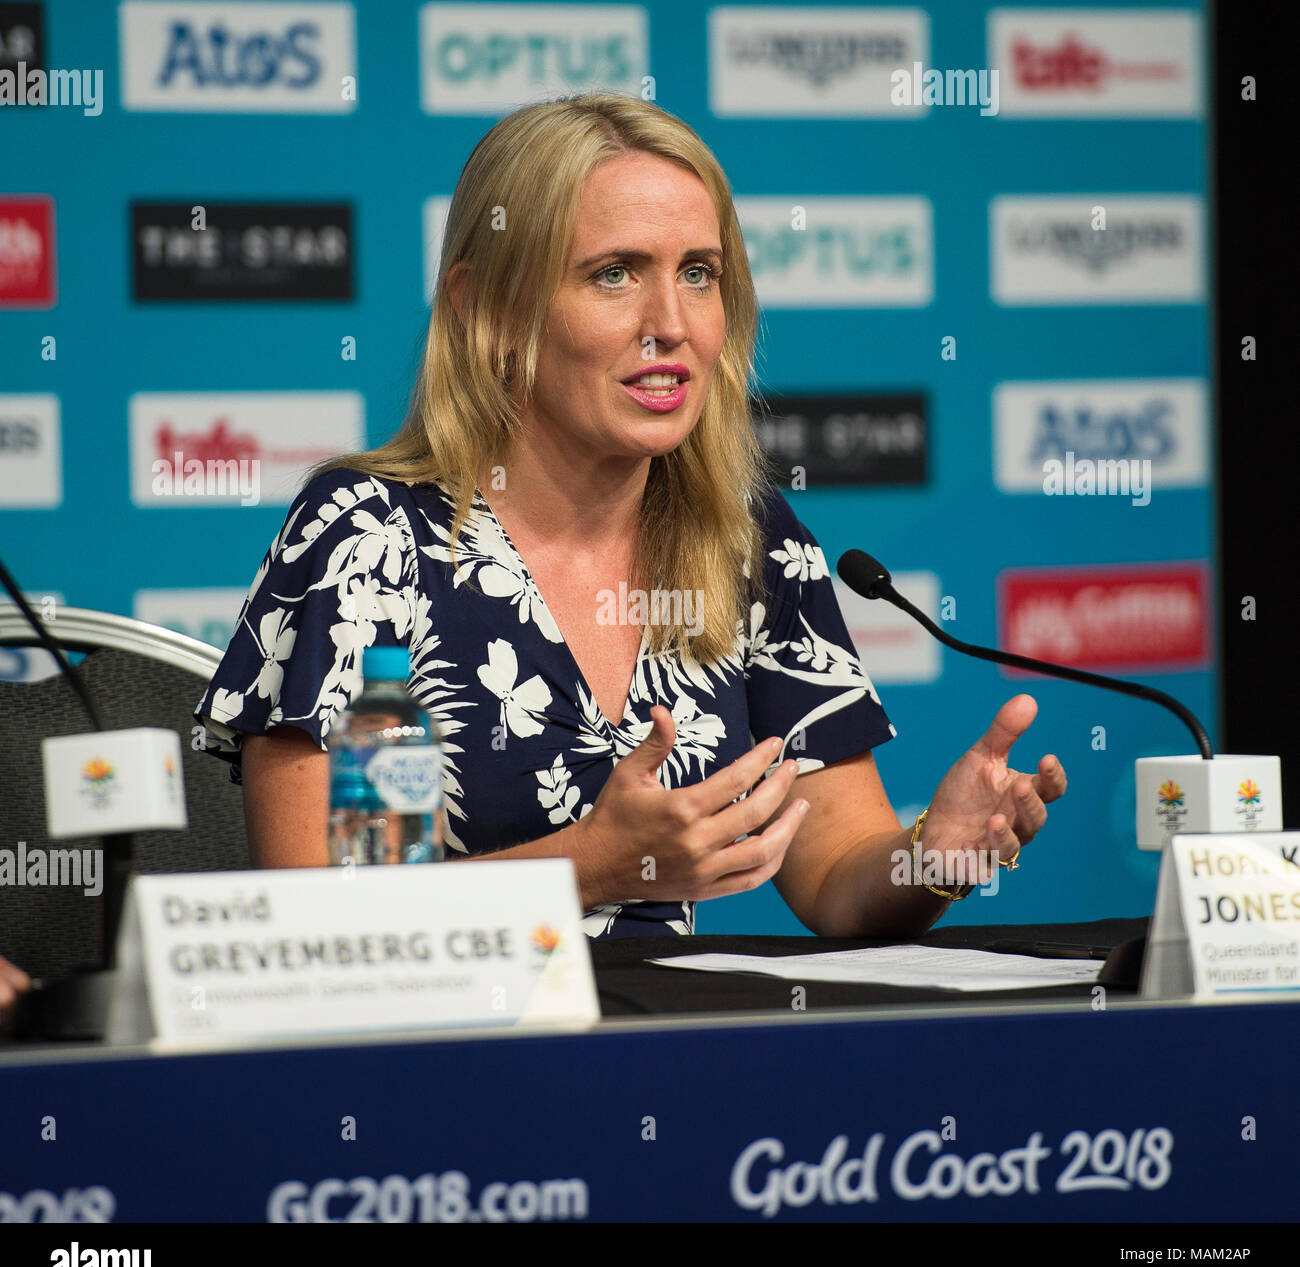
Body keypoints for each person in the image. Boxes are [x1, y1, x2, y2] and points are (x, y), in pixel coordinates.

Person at [194, 92, 1066, 938]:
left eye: (699, 274)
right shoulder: (369, 540)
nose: (671, 325)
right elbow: (313, 923)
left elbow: (838, 878)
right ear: (485, 308)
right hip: (441, 1061)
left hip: (667, 1063)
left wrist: (933, 856)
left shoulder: (749, 542)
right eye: (614, 274)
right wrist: (593, 865)